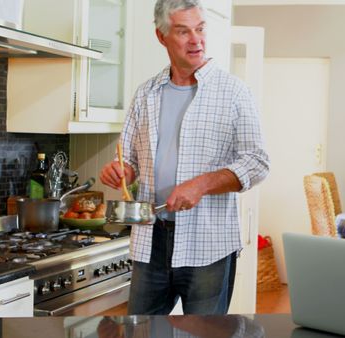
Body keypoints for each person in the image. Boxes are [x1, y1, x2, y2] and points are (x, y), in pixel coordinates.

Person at [99, 0, 269, 315]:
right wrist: (121, 171)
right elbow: (130, 160)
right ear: (161, 37)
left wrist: (202, 184)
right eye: (183, 31)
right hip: (151, 239)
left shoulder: (234, 92)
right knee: (141, 333)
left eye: (200, 29)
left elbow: (257, 162)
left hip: (208, 243)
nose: (196, 40)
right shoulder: (146, 93)